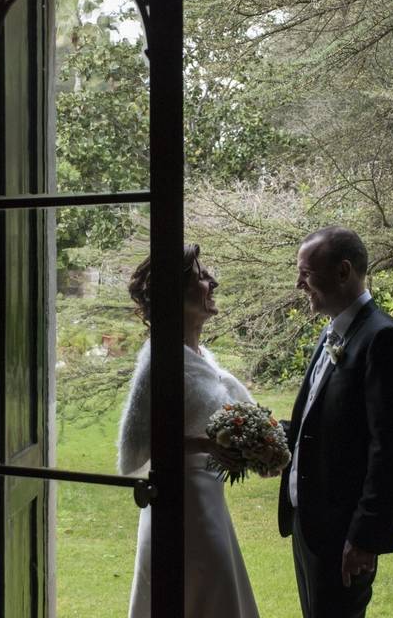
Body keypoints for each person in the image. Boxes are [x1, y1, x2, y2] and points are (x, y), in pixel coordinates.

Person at [117, 244, 260, 618]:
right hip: (179, 507)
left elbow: (233, 416)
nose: (212, 282)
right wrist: (203, 445)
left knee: (217, 594)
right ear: (175, 295)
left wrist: (259, 447)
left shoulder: (202, 358)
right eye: (200, 276)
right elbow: (134, 451)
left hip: (208, 502)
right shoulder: (158, 363)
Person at [279, 226, 393, 618]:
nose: (299, 284)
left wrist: (364, 536)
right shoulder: (334, 332)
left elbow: (387, 447)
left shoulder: (382, 338)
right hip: (310, 520)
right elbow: (318, 424)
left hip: (343, 530)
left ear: (343, 272)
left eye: (306, 273)